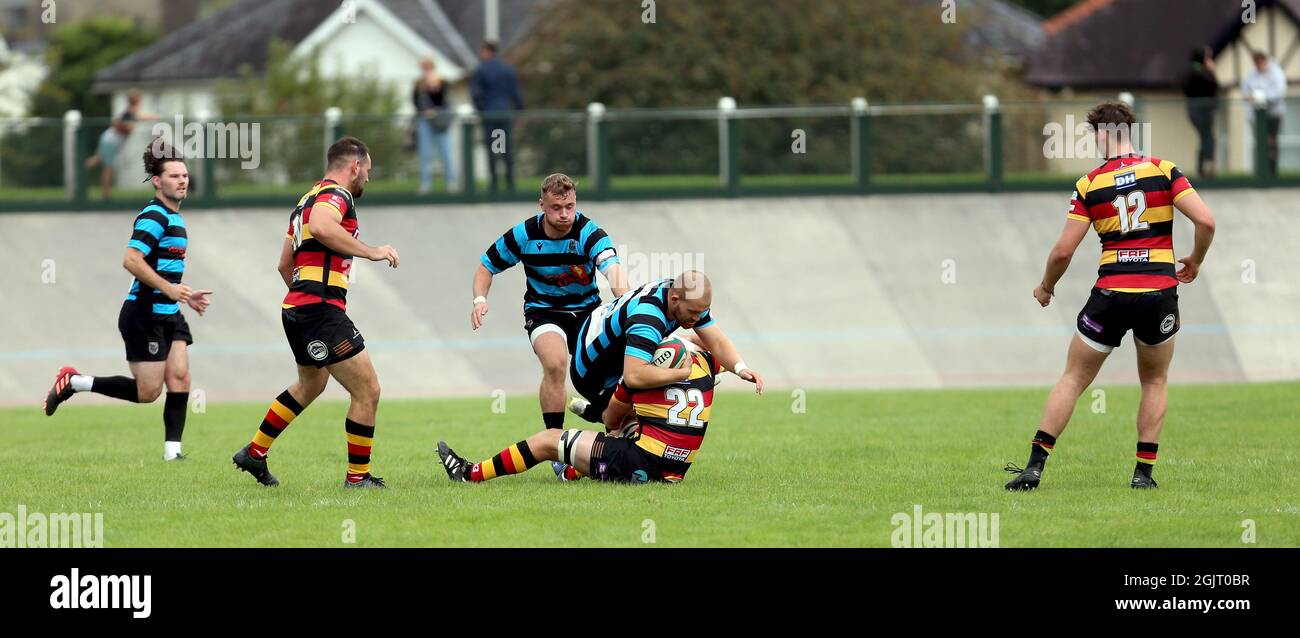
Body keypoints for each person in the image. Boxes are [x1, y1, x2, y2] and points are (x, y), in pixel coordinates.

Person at [1004, 102, 1216, 491]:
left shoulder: (1090, 184)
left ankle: (1034, 467)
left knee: (1072, 378)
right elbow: (1205, 221)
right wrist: (1196, 261)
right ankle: (1142, 475)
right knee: (1154, 380)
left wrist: (1046, 286)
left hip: (1111, 295)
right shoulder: (1163, 170)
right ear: (1129, 133)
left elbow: (1063, 252)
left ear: (1103, 134)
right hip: (1158, 293)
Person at [231, 137, 400, 489]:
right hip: (320, 311)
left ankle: (255, 452)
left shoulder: (305, 199)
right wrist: (371, 252)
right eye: (367, 170)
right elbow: (324, 227)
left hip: (297, 308)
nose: (367, 178)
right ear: (354, 166)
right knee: (368, 390)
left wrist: (302, 294)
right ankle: (358, 478)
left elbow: (283, 264)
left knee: (312, 385)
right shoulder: (337, 196)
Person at [44, 139, 212, 461]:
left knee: (180, 376)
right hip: (144, 314)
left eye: (185, 175)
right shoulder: (156, 215)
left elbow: (161, 267)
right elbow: (132, 259)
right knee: (148, 392)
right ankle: (74, 382)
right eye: (174, 176)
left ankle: (173, 453)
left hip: (169, 312)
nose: (182, 180)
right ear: (157, 181)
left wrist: (184, 294)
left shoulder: (176, 218)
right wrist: (169, 289)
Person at [472, 173, 627, 475]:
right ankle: (556, 447)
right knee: (555, 363)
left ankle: (612, 438)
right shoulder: (524, 234)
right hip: (544, 311)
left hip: (587, 312)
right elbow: (485, 266)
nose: (565, 214)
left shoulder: (589, 232)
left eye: (569, 206)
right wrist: (479, 300)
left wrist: (626, 303)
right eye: (557, 207)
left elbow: (613, 271)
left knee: (609, 371)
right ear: (542, 204)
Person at [437, 346, 724, 484]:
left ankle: (469, 474)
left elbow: (611, 419)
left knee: (549, 441)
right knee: (625, 432)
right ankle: (572, 471)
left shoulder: (637, 379)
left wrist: (593, 410)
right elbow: (712, 349)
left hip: (644, 463)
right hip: (676, 470)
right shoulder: (706, 364)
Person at [567, 271, 763, 431]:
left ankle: (596, 413)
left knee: (694, 345)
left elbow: (716, 342)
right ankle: (574, 454)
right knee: (630, 423)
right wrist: (681, 375)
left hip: (615, 349)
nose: (697, 318)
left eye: (701, 312)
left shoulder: (682, 297)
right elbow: (634, 376)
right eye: (693, 313)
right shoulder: (648, 318)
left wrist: (740, 368)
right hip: (592, 374)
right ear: (675, 299)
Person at [470, 41, 524, 193]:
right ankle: (510, 184)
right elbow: (516, 93)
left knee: (493, 149)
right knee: (506, 148)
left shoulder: (482, 70)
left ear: (486, 51)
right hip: (505, 114)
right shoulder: (507, 70)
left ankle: (494, 184)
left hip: (490, 115)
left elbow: (476, 94)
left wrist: (481, 109)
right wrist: (519, 112)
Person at [85, 90, 158, 201]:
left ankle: (79, 173)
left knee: (97, 160)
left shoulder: (132, 112)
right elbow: (121, 124)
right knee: (108, 168)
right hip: (111, 142)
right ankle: (105, 196)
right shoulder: (130, 112)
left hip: (109, 140)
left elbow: (139, 117)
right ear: (138, 101)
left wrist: (154, 118)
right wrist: (128, 126)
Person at [1241, 51, 1288, 177]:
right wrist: (1251, 97)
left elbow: (1279, 93)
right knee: (1260, 142)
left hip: (1273, 114)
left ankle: (1272, 172)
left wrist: (1260, 96)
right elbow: (1245, 90)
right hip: (1257, 115)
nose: (1259, 66)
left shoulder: (1276, 73)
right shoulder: (1251, 74)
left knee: (1271, 142)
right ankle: (1260, 171)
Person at [413, 57, 455, 194]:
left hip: (439, 122)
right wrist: (423, 111)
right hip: (425, 122)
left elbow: (444, 101)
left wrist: (435, 88)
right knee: (426, 154)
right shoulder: (419, 84)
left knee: (445, 152)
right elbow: (415, 101)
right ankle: (425, 184)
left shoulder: (442, 82)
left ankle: (451, 182)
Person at [1181, 46, 1219, 179]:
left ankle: (1205, 168)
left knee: (1207, 139)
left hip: (1200, 110)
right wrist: (1212, 71)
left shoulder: (1195, 71)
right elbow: (1214, 85)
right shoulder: (1197, 72)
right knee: (1207, 139)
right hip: (1200, 111)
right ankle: (1204, 169)